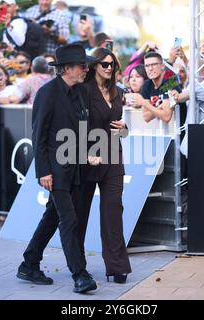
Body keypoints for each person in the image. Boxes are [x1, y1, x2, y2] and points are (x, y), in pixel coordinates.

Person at [17, 44, 97, 294]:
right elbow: (38, 136)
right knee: (69, 219)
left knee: (52, 216)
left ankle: (29, 263)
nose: (86, 69)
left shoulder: (82, 91)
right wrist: (43, 171)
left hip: (76, 168)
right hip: (55, 169)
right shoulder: (47, 93)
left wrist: (89, 152)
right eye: (82, 65)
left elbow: (83, 129)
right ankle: (79, 274)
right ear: (67, 68)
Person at [78, 48, 132, 284]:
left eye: (112, 65)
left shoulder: (118, 92)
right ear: (94, 66)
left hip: (112, 158)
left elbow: (122, 131)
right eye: (104, 64)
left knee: (113, 213)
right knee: (79, 216)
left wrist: (124, 130)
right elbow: (76, 124)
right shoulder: (83, 91)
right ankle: (78, 267)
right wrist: (86, 153)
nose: (109, 68)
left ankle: (117, 267)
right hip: (87, 159)